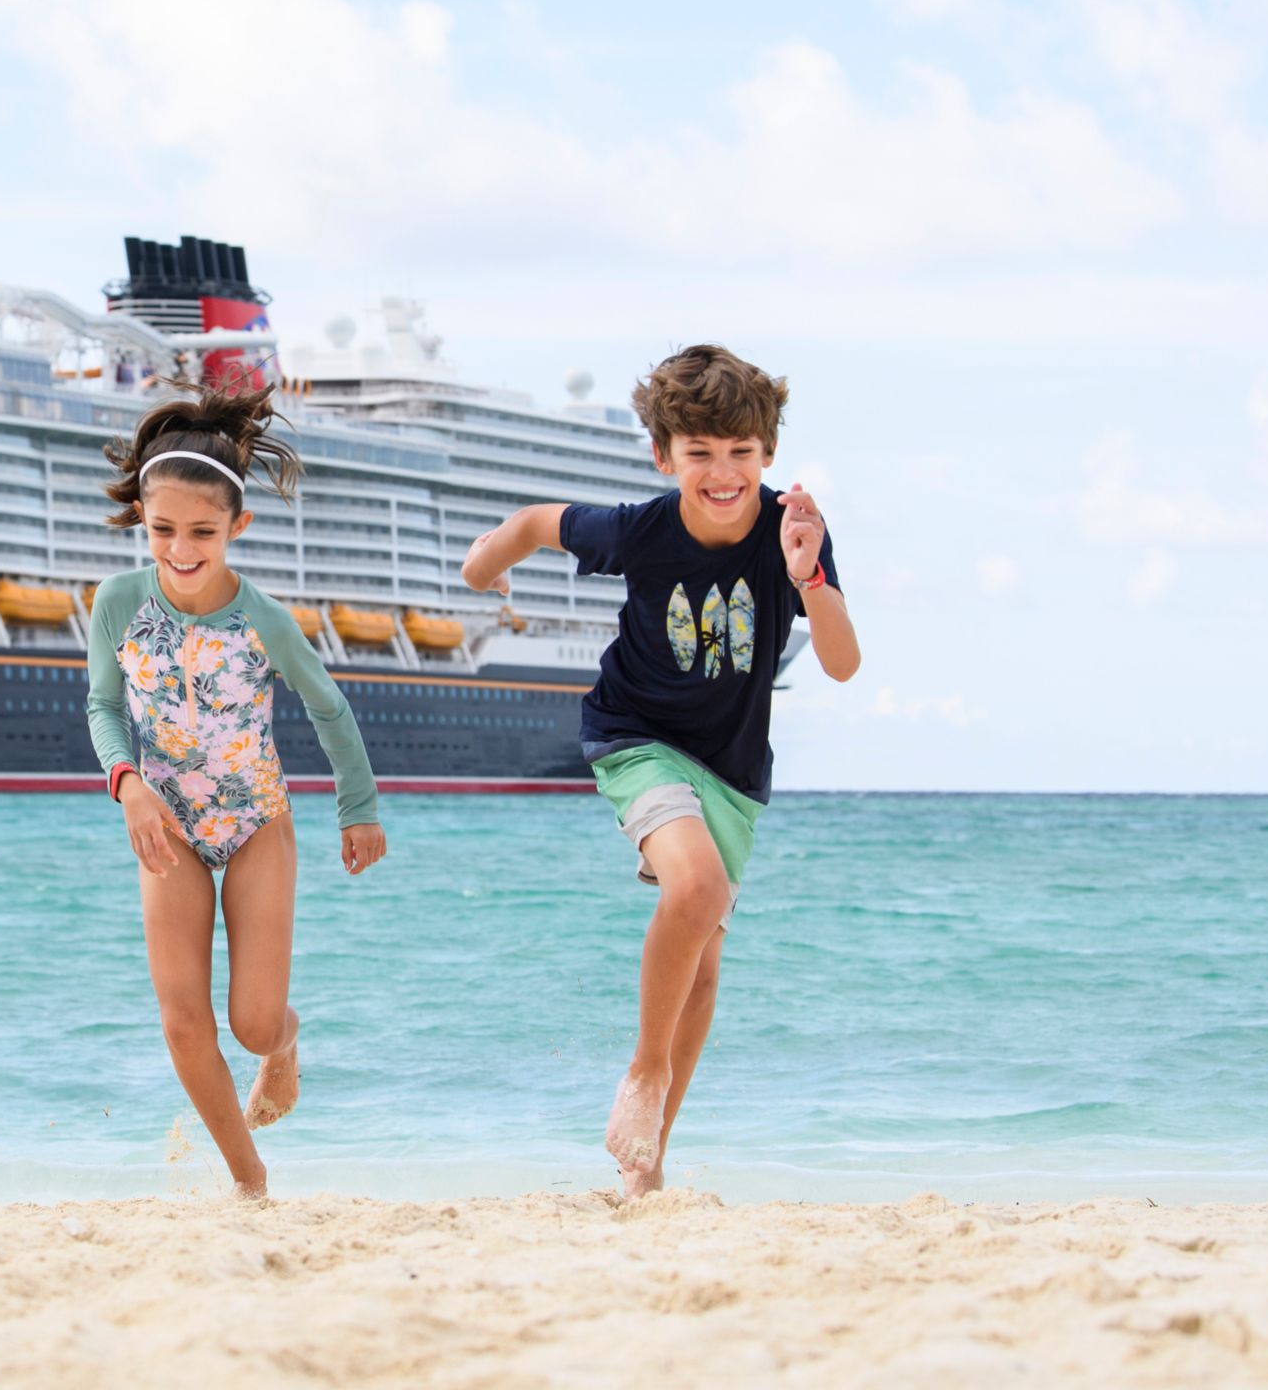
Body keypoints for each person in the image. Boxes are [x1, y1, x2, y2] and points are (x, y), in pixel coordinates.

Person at [459, 344, 861, 1199]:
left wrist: (809, 575)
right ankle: (644, 1070)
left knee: (704, 962)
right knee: (695, 891)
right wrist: (482, 563)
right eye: (700, 454)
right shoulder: (641, 528)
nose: (723, 473)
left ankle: (648, 1169)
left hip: (735, 770)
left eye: (741, 454)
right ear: (663, 456)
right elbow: (538, 521)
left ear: (768, 452)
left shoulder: (792, 530)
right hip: (634, 736)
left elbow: (841, 663)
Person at [84, 381, 387, 1200]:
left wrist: (356, 807)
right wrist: (129, 785)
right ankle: (249, 1178)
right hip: (166, 826)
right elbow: (103, 707)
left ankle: (284, 1049)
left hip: (256, 821)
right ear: (142, 524)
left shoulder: (264, 620)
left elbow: (329, 707)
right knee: (183, 1020)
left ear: (237, 527)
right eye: (163, 531)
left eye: (203, 533)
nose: (181, 549)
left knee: (252, 1023)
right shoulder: (116, 602)